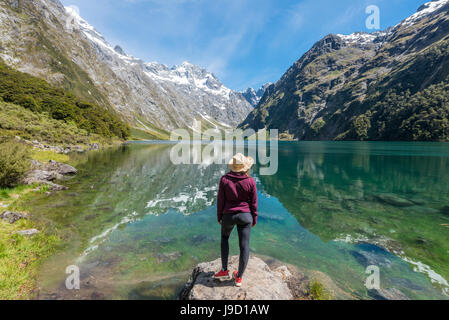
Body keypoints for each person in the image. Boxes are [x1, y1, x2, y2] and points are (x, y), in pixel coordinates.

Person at [214, 153, 258, 287]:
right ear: (244, 167)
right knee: (244, 246)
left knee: (225, 239)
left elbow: (220, 200)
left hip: (228, 215)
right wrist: (254, 218)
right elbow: (254, 203)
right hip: (245, 216)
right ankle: (239, 277)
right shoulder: (250, 181)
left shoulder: (224, 179)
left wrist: (219, 216)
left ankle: (224, 270)